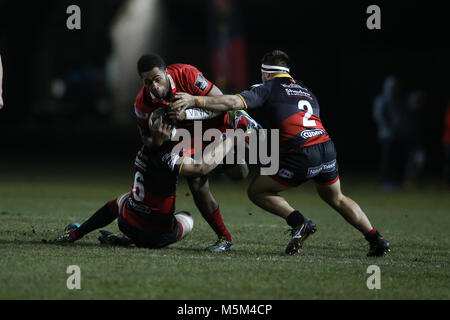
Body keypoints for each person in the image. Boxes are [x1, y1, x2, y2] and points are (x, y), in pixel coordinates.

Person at [169, 49, 391, 257]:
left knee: (257, 191)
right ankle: (376, 238)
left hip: (302, 153)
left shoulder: (268, 87)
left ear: (266, 72)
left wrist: (194, 99)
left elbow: (234, 102)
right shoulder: (306, 90)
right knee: (336, 197)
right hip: (326, 147)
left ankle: (299, 222)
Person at [58, 115, 245, 248]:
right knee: (187, 217)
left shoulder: (143, 149)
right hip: (159, 236)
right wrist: (230, 139)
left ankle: (76, 233)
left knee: (123, 199)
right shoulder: (168, 157)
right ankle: (224, 237)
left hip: (128, 224)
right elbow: (201, 168)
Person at [133, 54, 256, 251]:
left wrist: (192, 102)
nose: (154, 86)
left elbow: (221, 100)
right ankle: (224, 238)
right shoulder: (142, 103)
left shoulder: (186, 74)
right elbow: (146, 140)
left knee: (239, 173)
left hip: (214, 125)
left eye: (157, 79)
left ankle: (239, 128)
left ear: (166, 73)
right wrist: (157, 139)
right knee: (196, 181)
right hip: (188, 138)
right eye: (148, 82)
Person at [373, 76, 409, 190]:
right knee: (387, 159)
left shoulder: (399, 100)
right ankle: (386, 181)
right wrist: (389, 127)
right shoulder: (382, 100)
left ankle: (399, 181)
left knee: (400, 159)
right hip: (386, 135)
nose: (395, 89)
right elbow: (379, 116)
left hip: (399, 135)